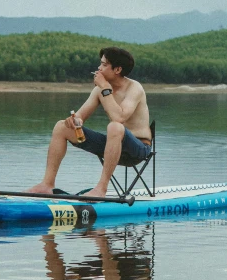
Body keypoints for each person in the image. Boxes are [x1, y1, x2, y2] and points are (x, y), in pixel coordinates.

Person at [28, 46, 151, 198]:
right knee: (61, 127)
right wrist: (75, 121)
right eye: (100, 64)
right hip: (112, 146)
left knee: (115, 126)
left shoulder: (134, 88)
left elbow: (119, 118)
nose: (99, 68)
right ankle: (47, 185)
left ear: (117, 70)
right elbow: (81, 116)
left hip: (138, 149)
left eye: (104, 65)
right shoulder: (99, 90)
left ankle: (101, 189)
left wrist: (105, 87)